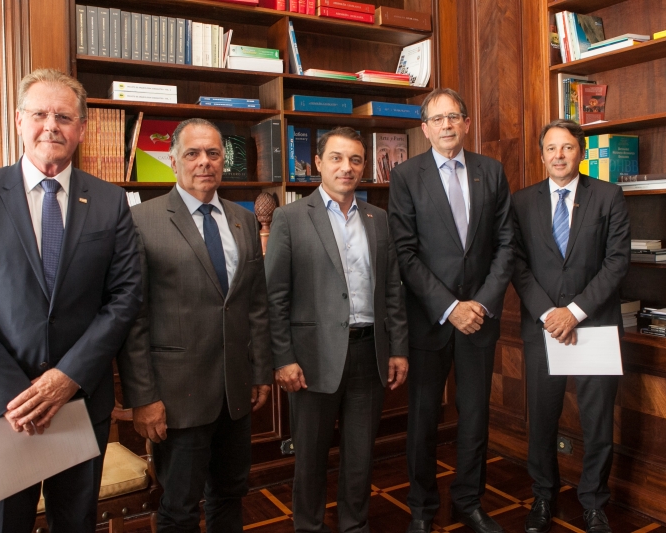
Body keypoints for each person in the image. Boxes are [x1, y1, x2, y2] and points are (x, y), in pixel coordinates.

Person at [0, 68, 142, 533]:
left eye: (64, 116)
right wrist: (15, 395)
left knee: (76, 523)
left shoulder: (110, 202)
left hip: (80, 399)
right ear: (19, 121)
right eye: (41, 114)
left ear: (82, 129)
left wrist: (66, 378)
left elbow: (125, 296)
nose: (52, 126)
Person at [117, 118, 273, 533]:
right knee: (180, 507)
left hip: (234, 393)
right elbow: (133, 319)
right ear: (172, 161)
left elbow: (254, 304)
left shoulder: (242, 220)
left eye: (213, 153)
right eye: (193, 153)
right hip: (176, 397)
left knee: (230, 495)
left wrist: (259, 371)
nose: (204, 162)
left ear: (223, 160)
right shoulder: (142, 221)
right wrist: (143, 398)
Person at [265, 127, 409, 533]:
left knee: (360, 457)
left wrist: (398, 348)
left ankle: (353, 526)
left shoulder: (378, 219)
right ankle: (308, 527)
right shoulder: (289, 218)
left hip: (370, 354)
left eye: (356, 160)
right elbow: (274, 295)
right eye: (337, 158)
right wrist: (283, 358)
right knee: (309, 458)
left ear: (364, 166)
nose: (347, 168)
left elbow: (392, 290)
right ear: (318, 164)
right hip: (311, 359)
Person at [388, 88, 515, 533]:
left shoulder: (491, 171)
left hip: (479, 319)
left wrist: (477, 304)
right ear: (424, 129)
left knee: (475, 417)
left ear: (466, 123)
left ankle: (468, 500)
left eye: (454, 117)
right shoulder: (405, 175)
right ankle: (422, 509)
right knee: (423, 420)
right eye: (437, 119)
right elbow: (405, 254)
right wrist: (448, 307)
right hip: (429, 321)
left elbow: (505, 245)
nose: (446, 125)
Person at [511, 119, 630, 533]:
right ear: (541, 154)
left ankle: (594, 502)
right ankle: (543, 497)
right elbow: (517, 265)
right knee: (542, 418)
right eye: (551, 148)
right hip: (542, 328)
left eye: (567, 148)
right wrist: (549, 314)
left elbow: (617, 263)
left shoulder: (609, 196)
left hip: (594, 326)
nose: (559, 155)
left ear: (580, 152)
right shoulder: (521, 202)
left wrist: (574, 311)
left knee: (597, 422)